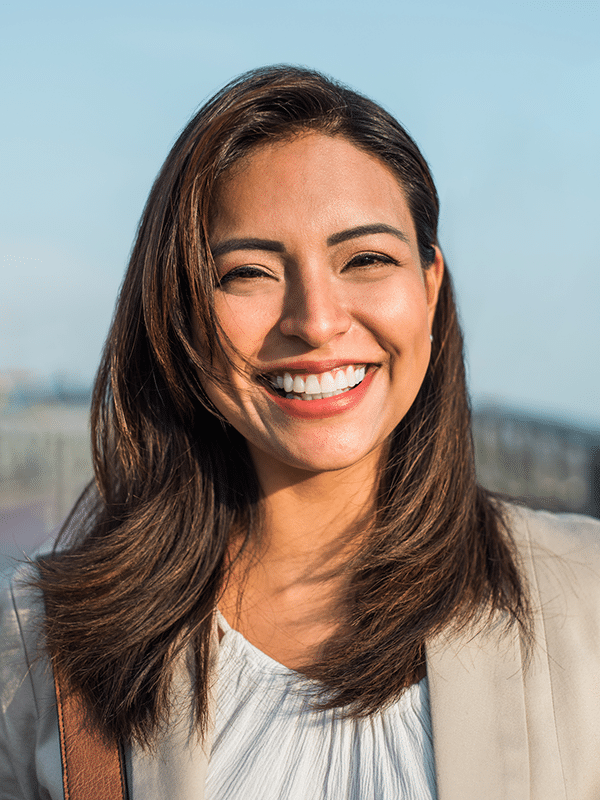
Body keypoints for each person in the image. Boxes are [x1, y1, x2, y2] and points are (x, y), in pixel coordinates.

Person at [1, 65, 600, 800]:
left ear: (431, 289)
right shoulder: (38, 645)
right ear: (179, 315)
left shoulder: (585, 601)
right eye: (249, 272)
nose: (316, 321)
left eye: (367, 260)